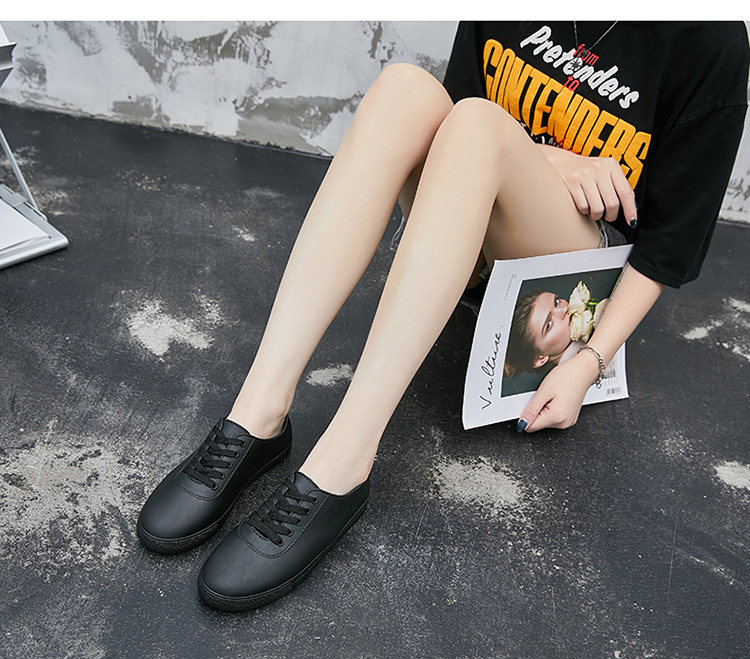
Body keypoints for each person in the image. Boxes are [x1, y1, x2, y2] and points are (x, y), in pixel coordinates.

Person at [136, 21, 749, 611]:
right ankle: (258, 416)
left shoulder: (711, 40)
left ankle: (343, 461)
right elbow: (454, 115)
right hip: (467, 230)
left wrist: (587, 362)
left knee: (480, 123)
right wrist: (553, 159)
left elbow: (667, 247)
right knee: (405, 89)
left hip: (566, 269)